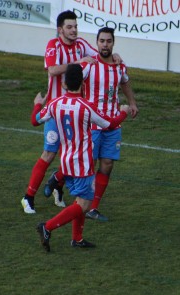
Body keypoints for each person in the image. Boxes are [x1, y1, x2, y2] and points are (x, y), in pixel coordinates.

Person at [21, 10, 122, 213]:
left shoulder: (82, 44)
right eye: (69, 27)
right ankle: (28, 196)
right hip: (55, 110)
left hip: (75, 111)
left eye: (75, 26)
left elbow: (100, 56)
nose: (74, 30)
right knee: (49, 154)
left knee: (75, 155)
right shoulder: (53, 46)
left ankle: (59, 187)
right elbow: (52, 70)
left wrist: (114, 56)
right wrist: (78, 64)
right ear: (60, 29)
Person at [31, 64, 130, 252]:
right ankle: (47, 227)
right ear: (83, 84)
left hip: (66, 160)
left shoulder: (55, 103)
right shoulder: (86, 107)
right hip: (82, 163)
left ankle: (77, 238)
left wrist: (38, 103)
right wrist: (123, 111)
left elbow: (35, 120)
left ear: (66, 84)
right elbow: (109, 125)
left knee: (79, 200)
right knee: (84, 204)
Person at [45, 27, 139, 221]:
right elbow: (67, 83)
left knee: (107, 164)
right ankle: (58, 178)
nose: (105, 44)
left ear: (113, 43)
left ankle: (92, 209)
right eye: (102, 41)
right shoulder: (88, 65)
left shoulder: (120, 66)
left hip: (112, 125)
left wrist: (132, 103)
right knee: (87, 163)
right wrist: (78, 103)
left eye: (109, 41)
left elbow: (125, 82)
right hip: (93, 124)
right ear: (97, 43)